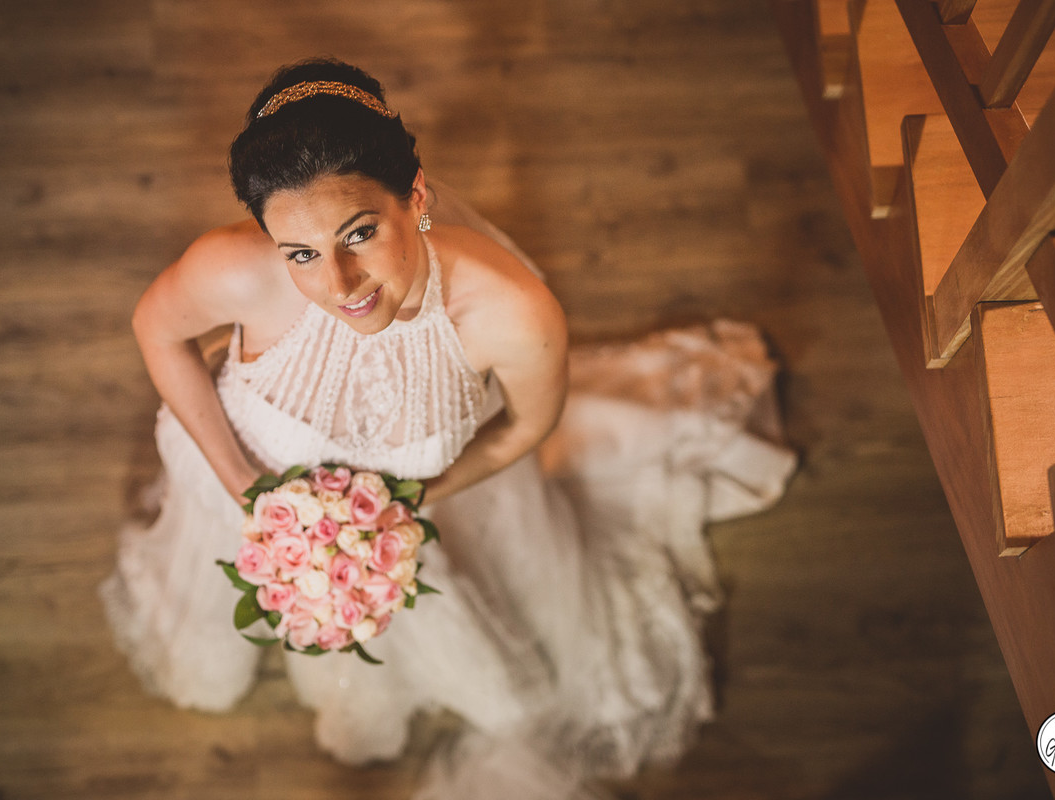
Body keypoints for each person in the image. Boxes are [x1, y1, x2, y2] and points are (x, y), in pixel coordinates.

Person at [101, 57, 796, 798]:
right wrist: (244, 487)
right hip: (228, 489)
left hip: (418, 525)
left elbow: (528, 427)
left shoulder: (509, 313)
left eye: (359, 232)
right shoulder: (233, 269)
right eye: (300, 254)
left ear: (418, 195)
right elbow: (155, 327)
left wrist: (416, 502)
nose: (339, 286)